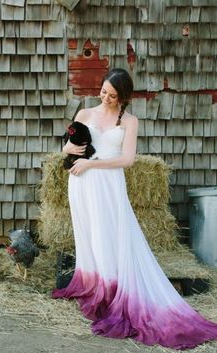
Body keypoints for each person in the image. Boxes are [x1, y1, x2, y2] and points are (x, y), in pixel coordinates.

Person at [52, 68, 217, 350]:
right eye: (103, 92)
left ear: (124, 97)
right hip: (81, 183)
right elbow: (67, 146)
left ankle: (113, 293)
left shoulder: (129, 121)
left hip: (108, 183)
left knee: (111, 237)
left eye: (112, 95)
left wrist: (93, 163)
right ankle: (95, 286)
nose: (106, 98)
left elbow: (127, 160)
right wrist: (70, 150)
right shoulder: (84, 114)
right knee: (90, 236)